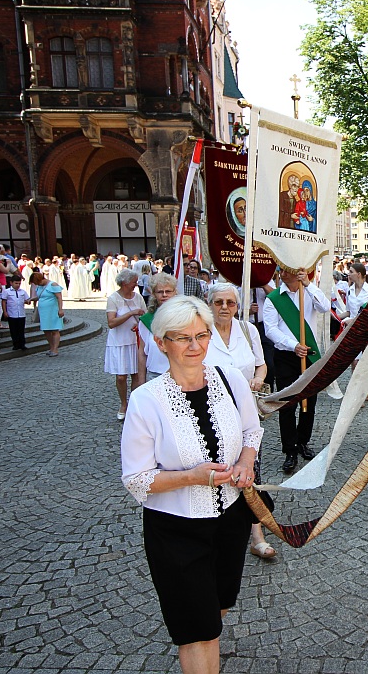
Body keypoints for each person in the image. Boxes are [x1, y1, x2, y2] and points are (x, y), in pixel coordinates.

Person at [120, 296, 263, 674]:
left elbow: (252, 429)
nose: (195, 346)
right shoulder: (145, 401)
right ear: (160, 343)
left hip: (231, 520)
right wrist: (191, 477)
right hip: (176, 531)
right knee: (196, 630)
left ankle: (206, 642)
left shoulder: (230, 379)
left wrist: (246, 462)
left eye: (202, 335)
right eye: (182, 338)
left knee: (217, 608)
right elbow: (137, 478)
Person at [202, 282, 276, 562]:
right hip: (211, 413)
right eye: (219, 302)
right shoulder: (201, 333)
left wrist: (259, 377)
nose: (224, 308)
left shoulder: (248, 330)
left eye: (230, 303)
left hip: (246, 414)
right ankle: (213, 531)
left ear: (237, 305)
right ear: (209, 304)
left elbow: (261, 363)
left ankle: (256, 535)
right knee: (216, 471)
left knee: (249, 469)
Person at [263, 268, 328, 475]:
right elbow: (270, 329)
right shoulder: (274, 298)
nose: (283, 273)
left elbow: (325, 306)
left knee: (309, 402)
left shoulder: (308, 292)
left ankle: (302, 441)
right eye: (281, 269)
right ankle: (289, 450)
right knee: (287, 404)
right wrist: (293, 345)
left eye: (288, 269)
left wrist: (308, 285)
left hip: (308, 354)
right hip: (286, 357)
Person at [106, 269, 145, 419]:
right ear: (124, 283)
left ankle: (134, 405)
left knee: (136, 374)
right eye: (134, 281)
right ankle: (123, 403)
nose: (136, 284)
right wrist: (130, 313)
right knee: (121, 376)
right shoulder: (113, 298)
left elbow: (145, 316)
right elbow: (111, 323)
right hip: (119, 342)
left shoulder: (138, 297)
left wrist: (141, 323)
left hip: (135, 340)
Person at [137, 272, 178, 385]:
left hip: (180, 374)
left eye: (168, 291)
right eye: (160, 292)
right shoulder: (146, 320)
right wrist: (141, 381)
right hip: (154, 375)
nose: (164, 295)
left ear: (175, 292)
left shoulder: (184, 317)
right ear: (154, 294)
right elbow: (142, 353)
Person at [29, 269, 64, 356]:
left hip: (53, 310)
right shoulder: (39, 286)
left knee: (54, 329)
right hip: (43, 312)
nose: (36, 284)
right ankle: (51, 347)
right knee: (46, 330)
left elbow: (59, 297)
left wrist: (60, 309)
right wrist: (31, 299)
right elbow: (40, 297)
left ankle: (55, 349)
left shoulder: (52, 284)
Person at [1, 273, 29, 350]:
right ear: (11, 283)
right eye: (16, 283)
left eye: (19, 283)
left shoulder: (22, 291)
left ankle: (22, 344)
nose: (18, 285)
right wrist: (5, 312)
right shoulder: (7, 291)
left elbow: (27, 300)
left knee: (21, 330)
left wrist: (27, 301)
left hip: (21, 313)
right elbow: (4, 301)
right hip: (12, 313)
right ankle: (15, 344)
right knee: (13, 330)